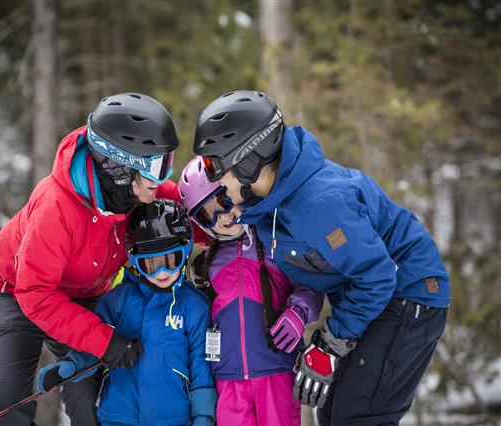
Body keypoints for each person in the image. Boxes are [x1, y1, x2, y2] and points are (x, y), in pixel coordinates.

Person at [192, 90, 450, 426]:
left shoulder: (318, 204)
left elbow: (377, 276)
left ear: (247, 160)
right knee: (329, 413)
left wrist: (330, 344)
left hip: (407, 295)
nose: (213, 178)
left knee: (358, 416)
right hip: (373, 300)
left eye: (214, 165)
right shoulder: (270, 205)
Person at [0, 93, 189, 425]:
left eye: (168, 162)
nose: (163, 179)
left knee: (93, 399)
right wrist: (104, 340)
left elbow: (191, 211)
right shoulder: (55, 208)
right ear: (119, 167)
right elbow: (35, 293)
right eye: (156, 167)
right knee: (7, 407)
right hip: (15, 295)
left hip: (84, 298)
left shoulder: (143, 191)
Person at [36, 199, 217, 426]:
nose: (161, 272)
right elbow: (96, 342)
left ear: (185, 252)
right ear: (135, 261)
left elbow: (202, 366)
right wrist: (70, 367)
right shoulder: (118, 301)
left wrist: (203, 416)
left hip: (174, 419)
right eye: (150, 264)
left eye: (171, 260)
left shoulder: (194, 306)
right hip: (120, 417)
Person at [179, 156, 323, 426]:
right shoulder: (207, 262)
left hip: (275, 371)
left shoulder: (273, 239)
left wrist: (298, 312)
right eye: (208, 212)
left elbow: (309, 284)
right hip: (228, 379)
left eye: (223, 201)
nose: (223, 216)